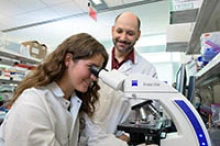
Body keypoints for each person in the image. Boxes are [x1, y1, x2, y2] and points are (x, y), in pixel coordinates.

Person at [0, 33, 127, 146]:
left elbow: (95, 138)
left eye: (98, 71)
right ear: (68, 60)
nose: (94, 77)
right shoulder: (33, 103)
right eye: (91, 68)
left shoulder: (73, 102)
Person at [92, 12, 158, 142]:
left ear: (138, 35)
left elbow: (149, 112)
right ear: (112, 30)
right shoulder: (96, 61)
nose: (123, 38)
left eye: (130, 33)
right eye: (119, 31)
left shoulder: (147, 70)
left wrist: (127, 136)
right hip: (89, 135)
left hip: (120, 138)